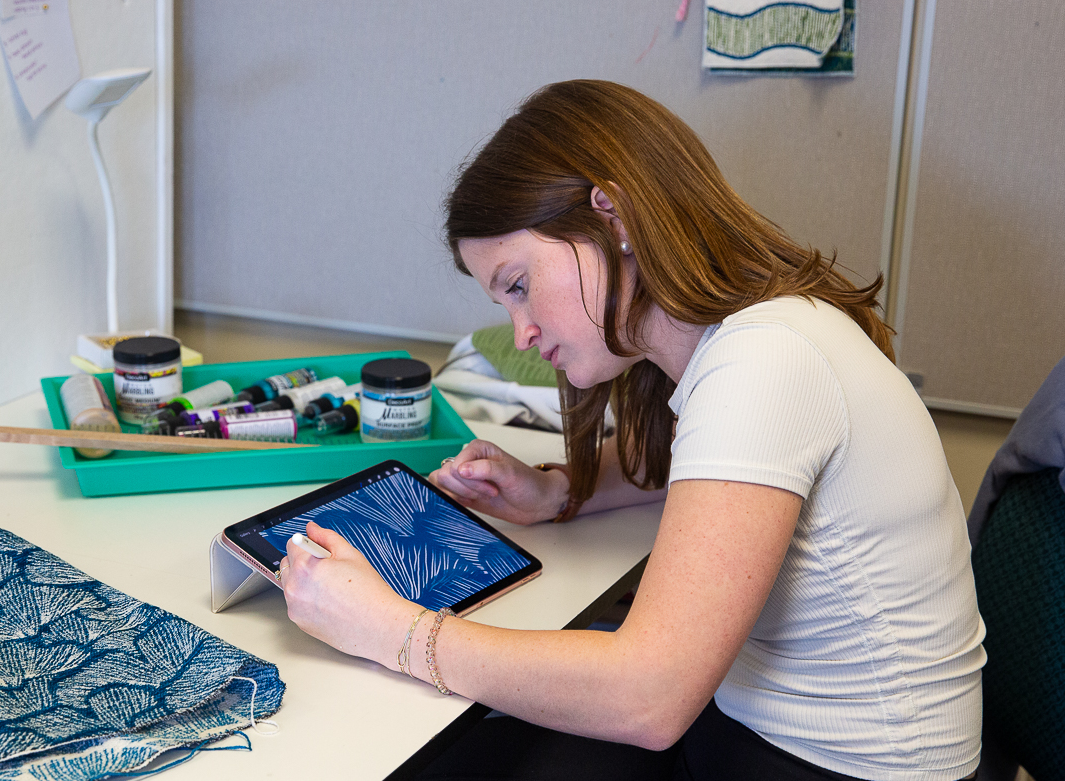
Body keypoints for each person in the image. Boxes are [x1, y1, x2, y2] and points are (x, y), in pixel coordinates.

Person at [279, 80, 984, 780]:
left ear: (613, 219)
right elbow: (683, 461)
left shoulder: (766, 362)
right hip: (756, 731)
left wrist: (389, 631)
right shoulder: (761, 333)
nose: (520, 332)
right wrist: (559, 492)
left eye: (519, 284)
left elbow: (649, 698)